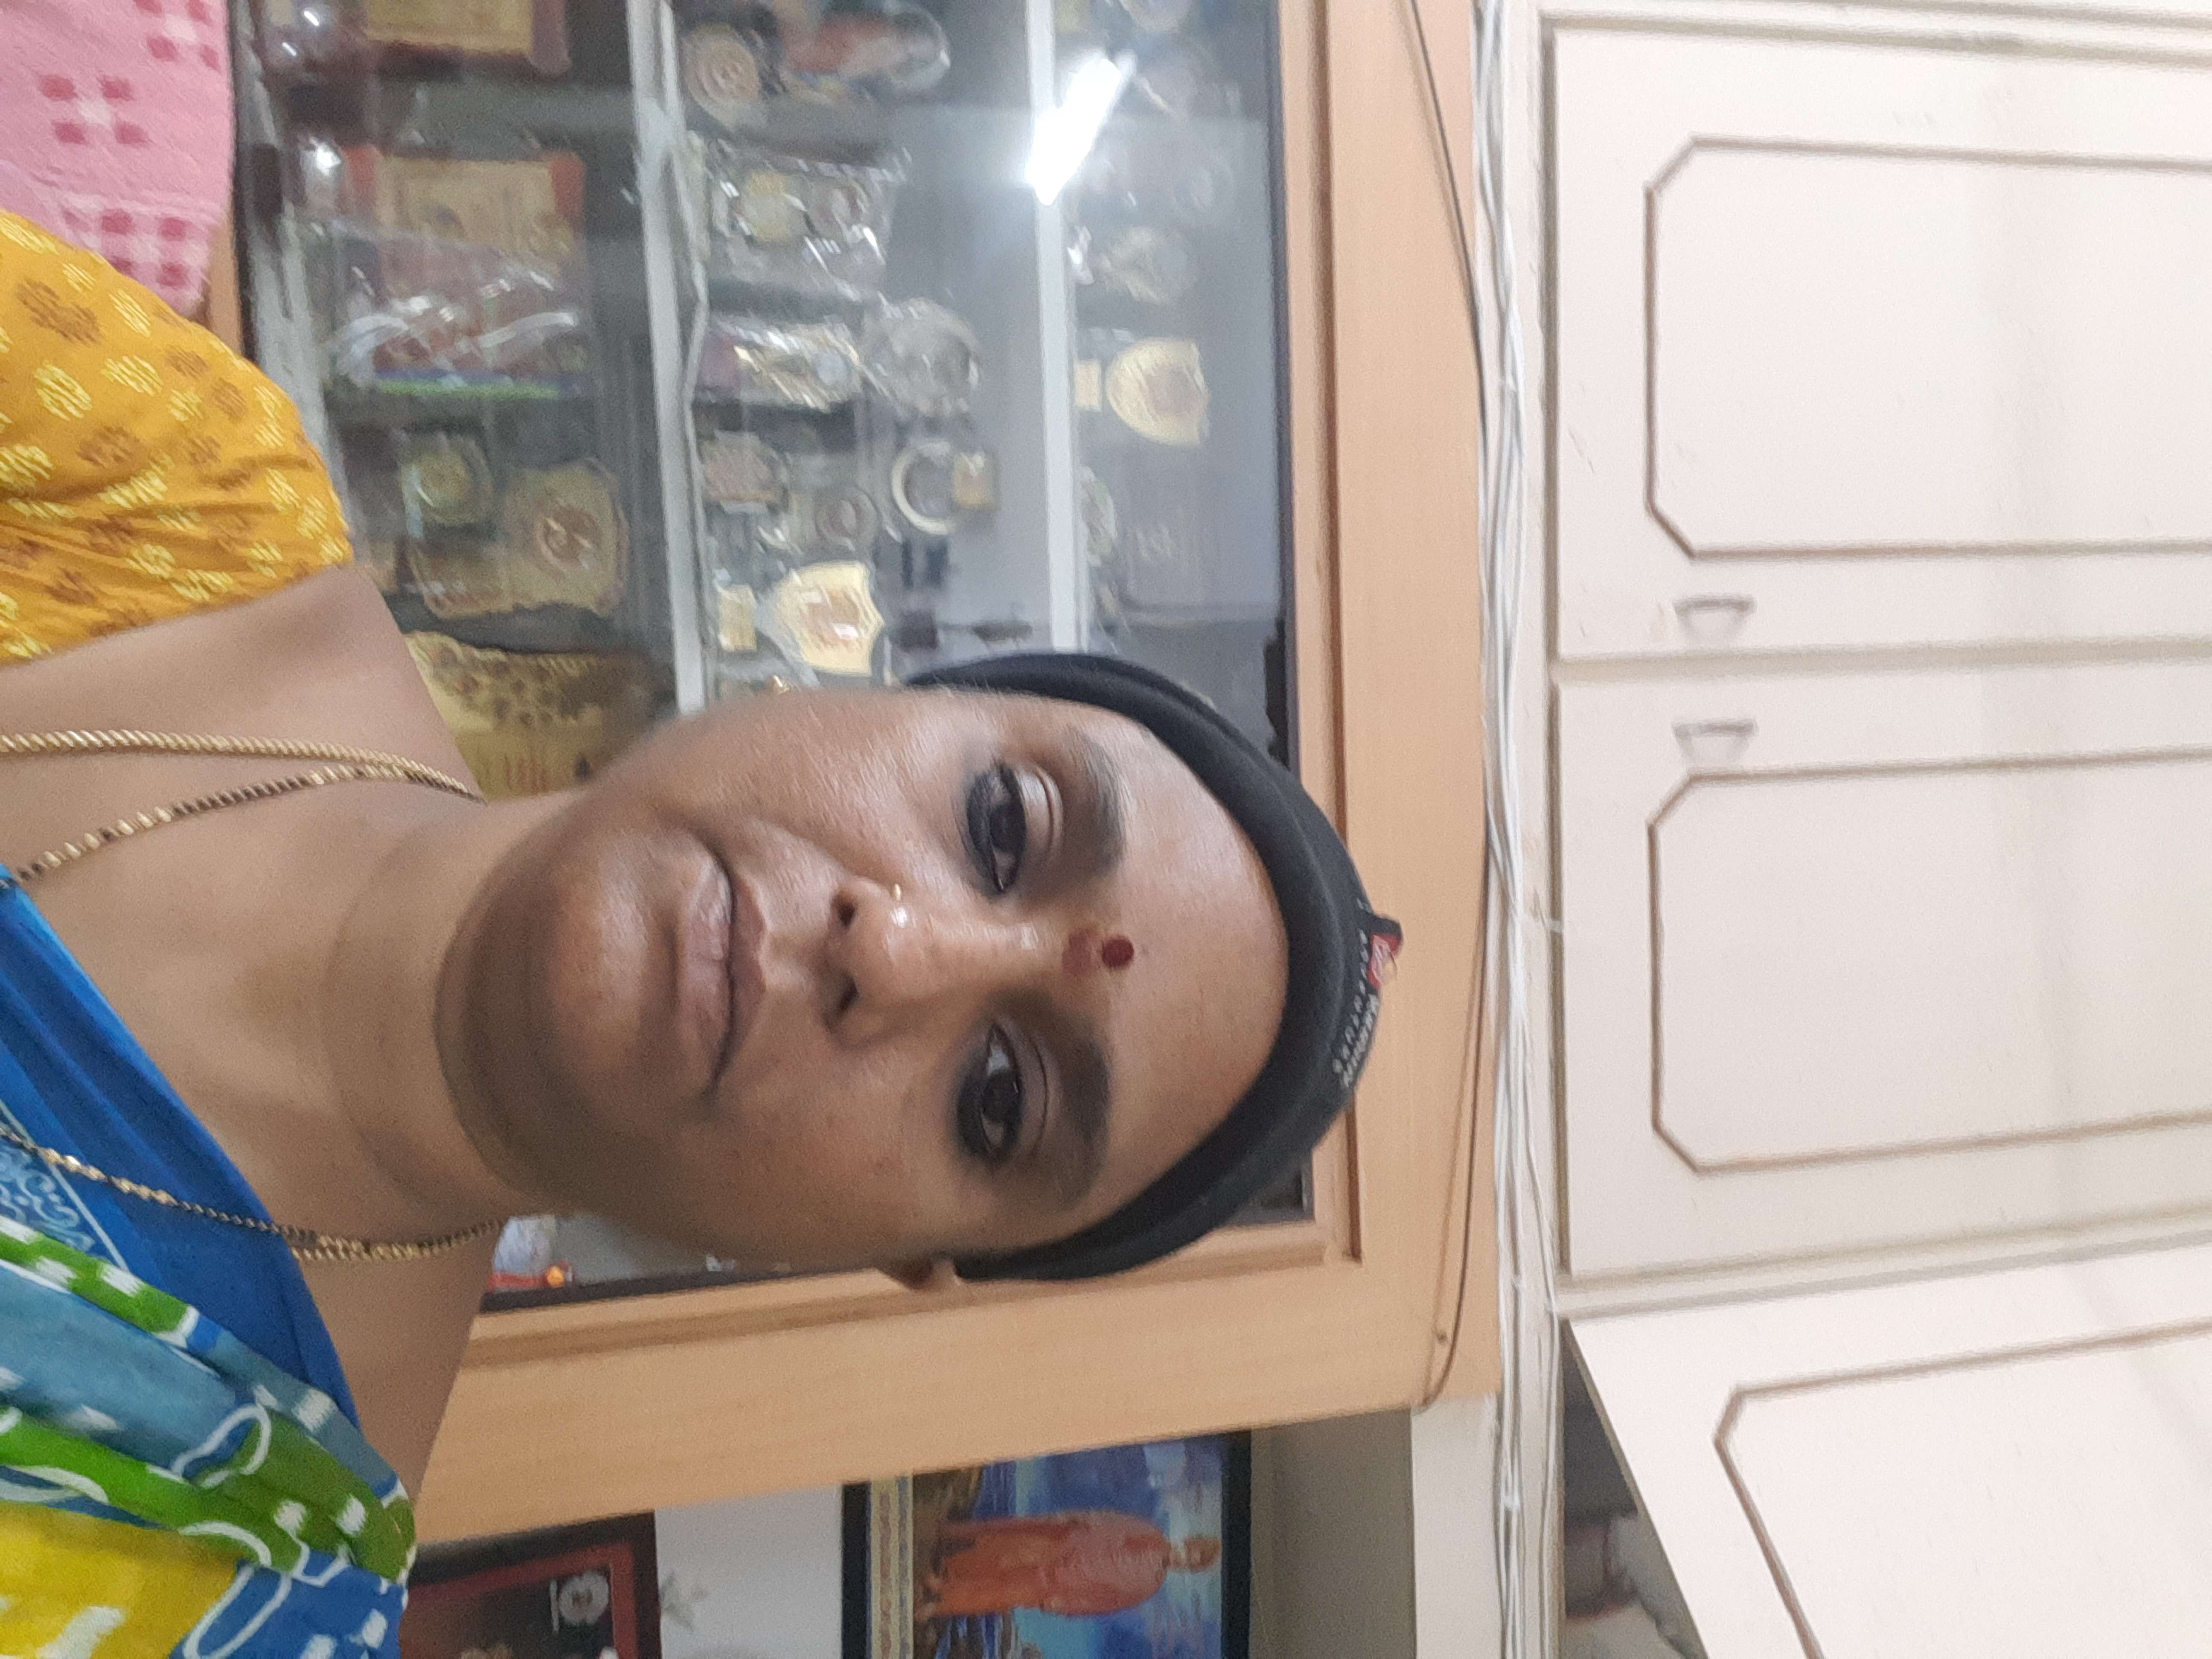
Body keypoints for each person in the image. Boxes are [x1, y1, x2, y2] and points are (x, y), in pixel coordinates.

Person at [0, 217, 1397, 1650]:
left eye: (997, 1099)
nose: (895, 951)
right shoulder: (161, 487)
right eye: (1000, 824)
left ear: (900, 1251)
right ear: (884, 688)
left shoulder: (236, 1566)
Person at [921, 1511, 1220, 1620]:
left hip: (1059, 1585)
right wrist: (1071, 1522)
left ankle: (940, 1606)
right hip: (1063, 1545)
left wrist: (1066, 1605)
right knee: (1003, 1556)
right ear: (1187, 1542)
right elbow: (1104, 1520)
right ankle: (944, 1579)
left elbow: (1105, 1603)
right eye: (1189, 1551)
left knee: (1002, 1592)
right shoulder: (1148, 1532)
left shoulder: (1148, 1586)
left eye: (1190, 1563)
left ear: (1186, 1570)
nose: (1183, 1558)